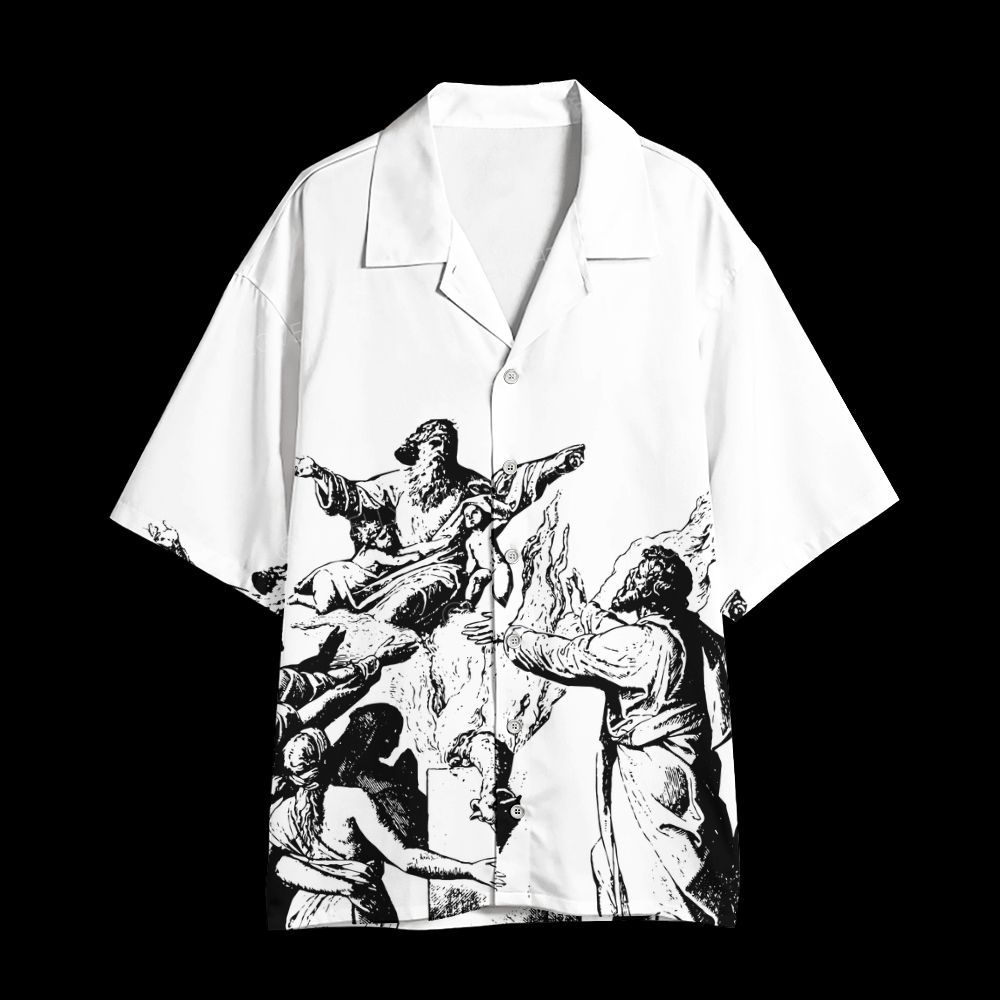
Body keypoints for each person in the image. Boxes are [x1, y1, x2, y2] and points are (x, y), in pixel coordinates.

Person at [466, 544, 738, 925]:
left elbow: (569, 656)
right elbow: (618, 638)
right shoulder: (690, 631)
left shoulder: (644, 644)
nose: (627, 580)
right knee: (611, 864)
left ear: (647, 588)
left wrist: (510, 637)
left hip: (651, 786)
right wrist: (589, 612)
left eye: (634, 575)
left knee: (656, 889)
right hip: (685, 776)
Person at [269, 709, 503, 928]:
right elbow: (406, 859)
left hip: (303, 914)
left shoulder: (278, 815)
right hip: (358, 910)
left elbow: (280, 867)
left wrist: (332, 882)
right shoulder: (353, 801)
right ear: (326, 758)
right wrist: (470, 869)